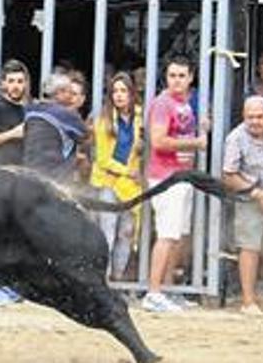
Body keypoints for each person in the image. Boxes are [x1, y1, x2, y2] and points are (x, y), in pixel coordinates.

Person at [141, 56, 208, 313]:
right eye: (172, 75)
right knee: (167, 235)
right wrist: (196, 143)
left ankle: (166, 291)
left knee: (177, 236)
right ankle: (154, 292)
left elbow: (180, 133)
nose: (176, 80)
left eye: (181, 75)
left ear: (191, 77)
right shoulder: (162, 103)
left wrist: (200, 130)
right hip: (167, 177)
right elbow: (158, 141)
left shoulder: (184, 104)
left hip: (181, 176)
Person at [222, 96, 263, 316]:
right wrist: (257, 194)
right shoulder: (236, 138)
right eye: (250, 117)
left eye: (259, 117)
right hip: (250, 198)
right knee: (249, 248)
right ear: (243, 117)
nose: (255, 122)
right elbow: (229, 176)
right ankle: (248, 302)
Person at [89, 72, 144, 281]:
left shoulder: (140, 117)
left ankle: (117, 278)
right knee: (108, 232)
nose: (119, 96)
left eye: (123, 91)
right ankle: (102, 278)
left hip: (130, 185)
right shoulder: (103, 121)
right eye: (115, 91)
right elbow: (102, 160)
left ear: (131, 94)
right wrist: (127, 171)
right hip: (108, 182)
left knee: (127, 234)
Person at [22, 72, 88, 184]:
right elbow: (85, 136)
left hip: (28, 175)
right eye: (69, 92)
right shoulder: (65, 115)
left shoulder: (31, 110)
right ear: (59, 93)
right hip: (54, 179)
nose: (71, 96)